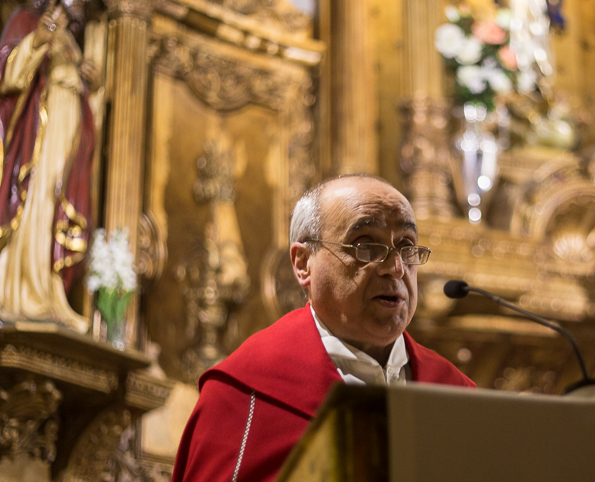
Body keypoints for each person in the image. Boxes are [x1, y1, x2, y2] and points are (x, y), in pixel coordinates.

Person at [172, 175, 475, 482]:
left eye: (407, 247)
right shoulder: (243, 395)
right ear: (303, 263)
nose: (395, 267)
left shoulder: (457, 395)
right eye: (366, 245)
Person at [0, 0, 102, 333]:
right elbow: (7, 77)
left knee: (54, 204)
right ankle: (14, 289)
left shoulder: (71, 41)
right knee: (34, 200)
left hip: (66, 138)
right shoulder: (29, 20)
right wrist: (38, 42)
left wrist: (89, 83)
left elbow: (80, 97)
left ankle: (46, 293)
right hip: (36, 138)